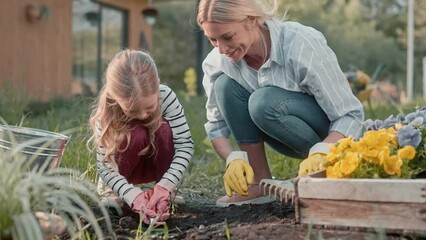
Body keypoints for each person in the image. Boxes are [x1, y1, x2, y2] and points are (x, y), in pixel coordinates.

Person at [197, 0, 364, 207]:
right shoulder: (218, 62)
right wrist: (233, 158)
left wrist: (324, 151)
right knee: (224, 85)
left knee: (262, 102)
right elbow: (215, 127)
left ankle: (326, 171)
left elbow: (351, 114)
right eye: (213, 40)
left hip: (328, 136)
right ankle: (257, 183)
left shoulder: (301, 45)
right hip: (281, 133)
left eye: (228, 37)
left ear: (252, 20)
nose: (222, 49)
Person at [88, 49, 194, 223]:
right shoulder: (109, 109)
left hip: (153, 163)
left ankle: (164, 193)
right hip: (122, 171)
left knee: (165, 130)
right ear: (116, 98)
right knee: (133, 134)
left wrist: (166, 185)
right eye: (132, 110)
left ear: (157, 84)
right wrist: (131, 195)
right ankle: (113, 191)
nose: (143, 115)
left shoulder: (166, 96)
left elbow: (185, 145)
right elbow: (105, 165)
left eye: (149, 107)